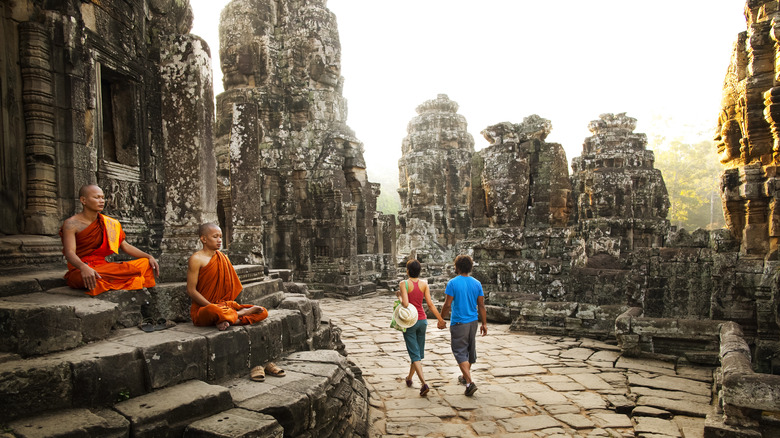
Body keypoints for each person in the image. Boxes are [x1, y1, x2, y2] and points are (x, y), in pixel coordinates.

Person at [60, 184, 159, 296]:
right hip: (80, 269)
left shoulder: (109, 223)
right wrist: (83, 267)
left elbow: (125, 246)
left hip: (104, 266)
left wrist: (148, 256)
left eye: (103, 197)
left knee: (145, 263)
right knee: (90, 277)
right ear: (83, 200)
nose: (102, 201)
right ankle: (113, 280)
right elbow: (69, 252)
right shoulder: (71, 224)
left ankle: (107, 281)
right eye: (97, 198)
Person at [186, 223, 268, 331]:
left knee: (263, 311)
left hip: (224, 306)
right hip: (204, 309)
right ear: (204, 239)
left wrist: (223, 307)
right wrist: (214, 306)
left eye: (220, 237)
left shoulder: (223, 257)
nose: (219, 240)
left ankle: (228, 319)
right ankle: (238, 315)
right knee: (214, 311)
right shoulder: (196, 259)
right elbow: (191, 291)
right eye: (215, 237)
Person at [397, 259, 446, 397]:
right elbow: (430, 304)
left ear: (407, 271)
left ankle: (424, 383)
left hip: (410, 322)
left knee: (414, 353)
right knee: (417, 353)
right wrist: (440, 319)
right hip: (422, 320)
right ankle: (409, 377)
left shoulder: (404, 284)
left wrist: (400, 297)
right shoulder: (424, 284)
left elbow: (405, 304)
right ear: (420, 271)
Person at [440, 254, 487, 396]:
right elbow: (481, 305)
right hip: (473, 322)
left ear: (458, 267)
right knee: (468, 350)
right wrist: (484, 323)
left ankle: (469, 382)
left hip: (459, 322)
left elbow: (447, 304)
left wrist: (441, 318)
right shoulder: (477, 283)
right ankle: (465, 376)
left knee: (460, 352)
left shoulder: (453, 283)